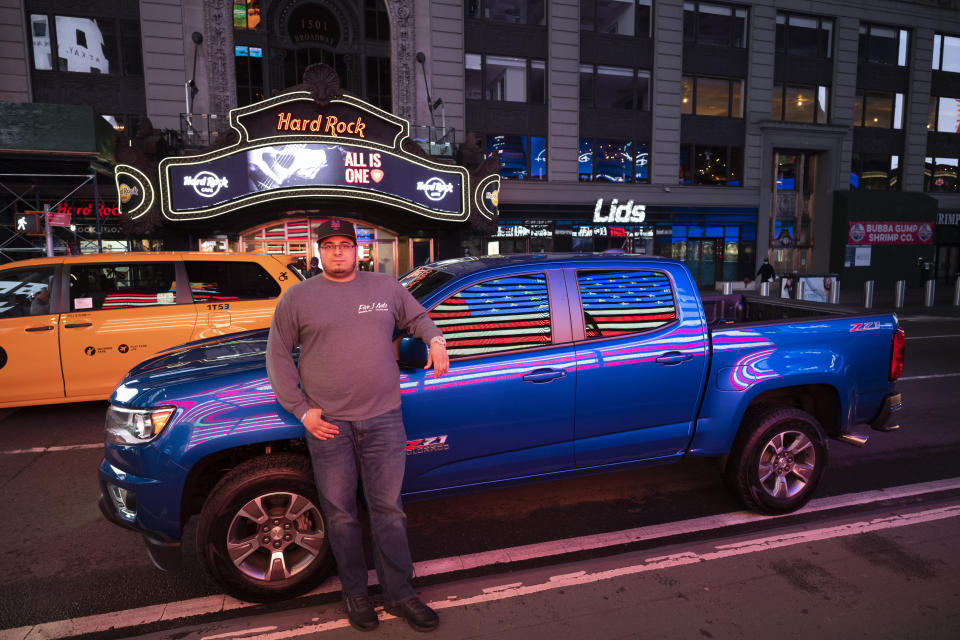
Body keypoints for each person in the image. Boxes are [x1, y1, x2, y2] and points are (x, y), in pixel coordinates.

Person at [266, 218, 449, 633]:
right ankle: (355, 593)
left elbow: (418, 319)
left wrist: (436, 339)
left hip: (383, 418)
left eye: (344, 245)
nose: (336, 252)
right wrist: (301, 409)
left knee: (388, 511)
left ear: (357, 249)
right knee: (342, 514)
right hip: (328, 424)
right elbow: (277, 356)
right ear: (318, 252)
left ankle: (400, 594)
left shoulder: (385, 289)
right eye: (328, 245)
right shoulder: (298, 298)